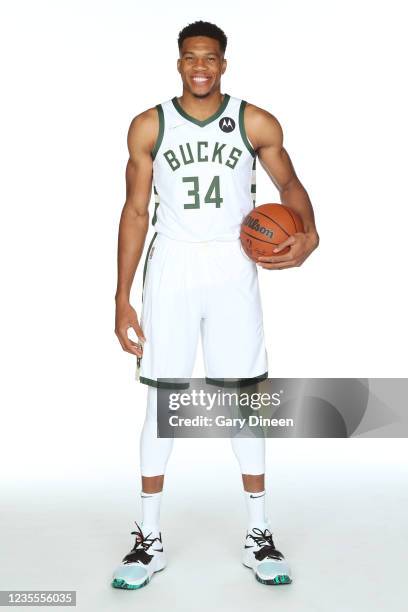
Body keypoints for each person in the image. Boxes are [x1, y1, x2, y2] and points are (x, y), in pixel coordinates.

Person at [112, 20, 319, 589]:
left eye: (209, 57)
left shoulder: (254, 121)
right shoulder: (149, 125)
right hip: (172, 264)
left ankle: (258, 533)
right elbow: (134, 213)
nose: (199, 66)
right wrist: (121, 296)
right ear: (178, 63)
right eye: (189, 57)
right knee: (164, 404)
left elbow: (290, 184)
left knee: (243, 400)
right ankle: (147, 539)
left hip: (234, 264)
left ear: (224, 63)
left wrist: (311, 231)